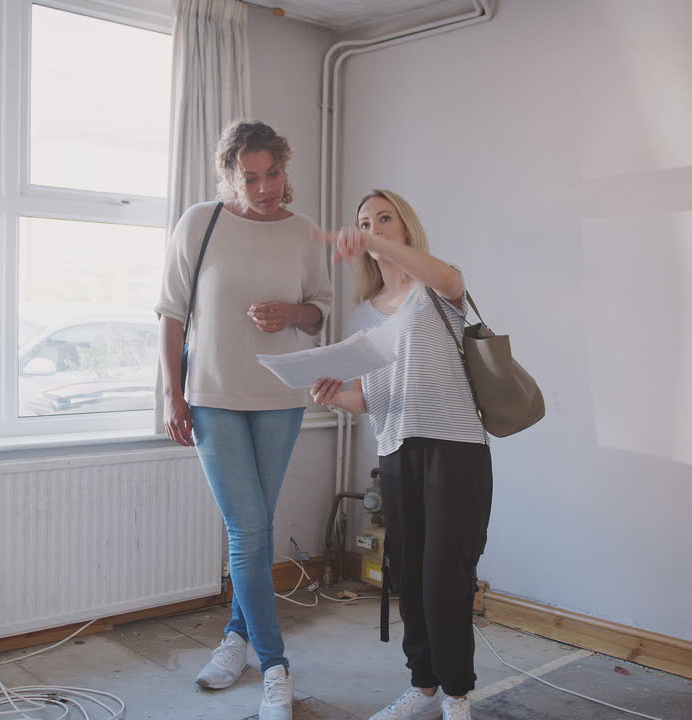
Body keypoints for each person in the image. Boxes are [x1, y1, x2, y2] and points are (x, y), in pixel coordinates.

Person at [156, 120, 333, 720]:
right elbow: (171, 313)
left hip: (281, 398)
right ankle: (276, 666)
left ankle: (235, 639)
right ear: (227, 176)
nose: (265, 189)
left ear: (286, 168)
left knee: (254, 529)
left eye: (274, 174)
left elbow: (320, 312)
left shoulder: (304, 232)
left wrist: (293, 311)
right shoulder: (199, 223)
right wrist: (173, 395)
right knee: (248, 530)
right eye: (250, 177)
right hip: (213, 395)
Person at [310, 190, 492, 720]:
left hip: (454, 448)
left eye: (384, 219)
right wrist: (333, 397)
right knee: (409, 575)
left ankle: (458, 695)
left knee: (445, 577)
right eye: (364, 222)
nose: (373, 228)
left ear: (406, 228)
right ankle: (424, 688)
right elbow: (370, 397)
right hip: (396, 450)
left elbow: (452, 279)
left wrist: (370, 240)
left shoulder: (436, 288)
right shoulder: (364, 315)